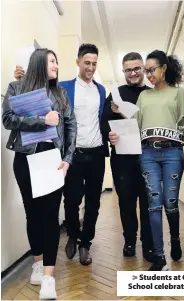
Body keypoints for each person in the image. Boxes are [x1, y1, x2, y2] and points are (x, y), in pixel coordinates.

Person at [15, 44, 108, 267]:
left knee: (93, 202)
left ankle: (86, 243)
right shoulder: (64, 87)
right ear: (78, 62)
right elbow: (41, 94)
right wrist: (22, 79)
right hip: (72, 154)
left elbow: (98, 120)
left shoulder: (101, 90)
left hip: (96, 153)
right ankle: (73, 236)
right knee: (72, 200)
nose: (91, 67)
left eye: (94, 64)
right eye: (87, 63)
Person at [110, 50, 184, 271]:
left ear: (163, 68)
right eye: (146, 71)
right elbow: (136, 126)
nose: (147, 75)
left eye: (151, 70)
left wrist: (183, 124)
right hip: (147, 154)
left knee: (170, 204)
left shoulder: (178, 94)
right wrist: (121, 113)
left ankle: (175, 239)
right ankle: (159, 257)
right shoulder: (143, 97)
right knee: (154, 205)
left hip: (172, 154)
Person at [2, 48, 77, 299]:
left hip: (51, 160)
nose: (56, 65)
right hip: (25, 159)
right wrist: (41, 120)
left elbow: (70, 126)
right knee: (32, 214)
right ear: (38, 63)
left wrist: (67, 159)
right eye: (52, 61)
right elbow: (8, 119)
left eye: (57, 61)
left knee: (50, 216)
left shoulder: (61, 92)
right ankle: (37, 261)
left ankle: (48, 277)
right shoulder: (16, 87)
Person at [102, 52, 154, 262]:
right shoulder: (115, 95)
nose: (132, 73)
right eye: (128, 70)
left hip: (149, 157)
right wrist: (109, 134)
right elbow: (104, 121)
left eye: (136, 68)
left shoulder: (152, 94)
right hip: (122, 159)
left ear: (143, 69)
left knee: (148, 202)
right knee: (126, 201)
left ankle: (149, 245)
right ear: (123, 71)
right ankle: (129, 241)